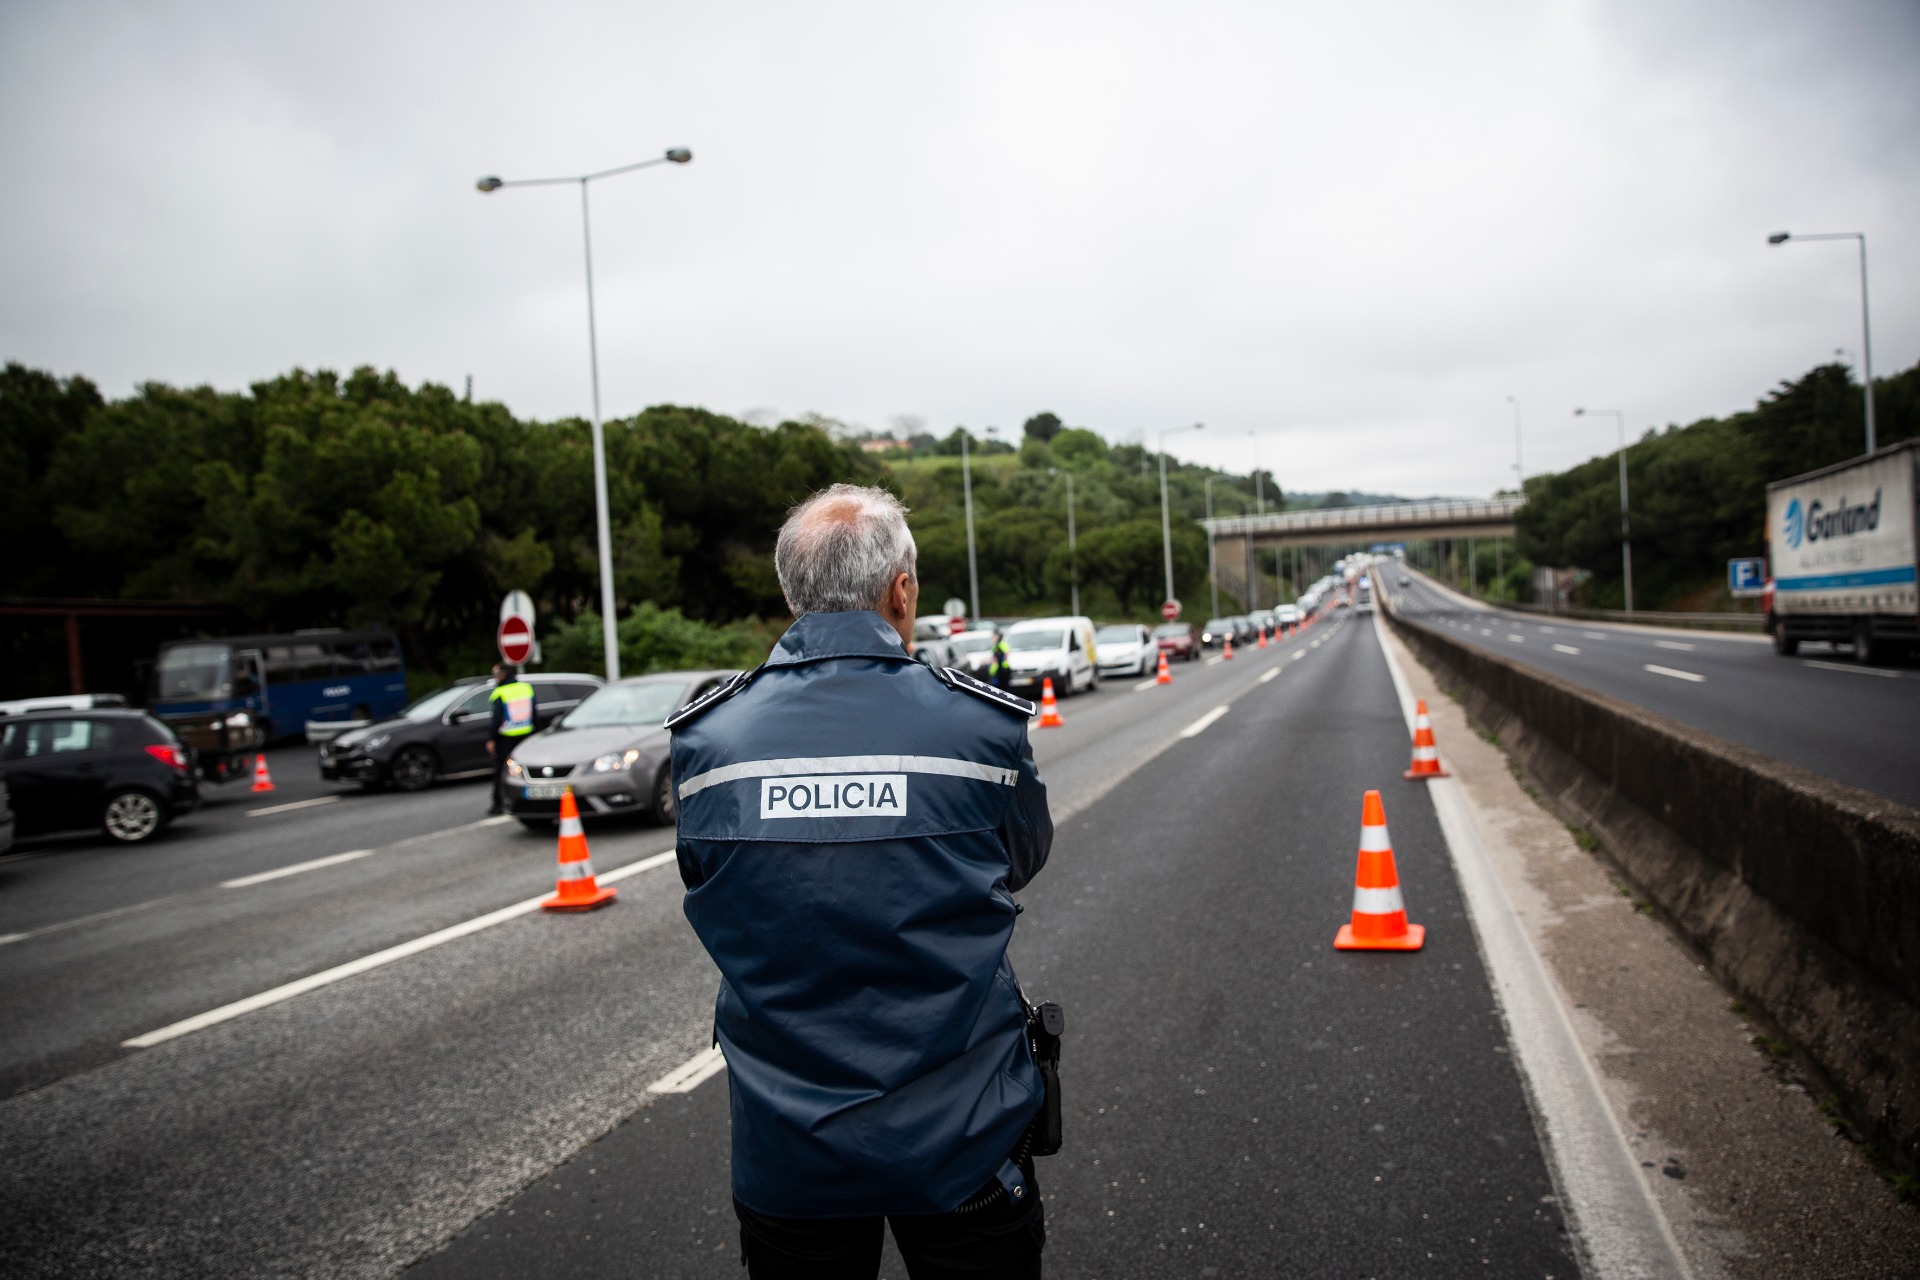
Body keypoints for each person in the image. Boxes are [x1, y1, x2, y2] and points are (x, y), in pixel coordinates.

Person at [667, 483, 1054, 1279]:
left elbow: (705, 876)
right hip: (965, 1140)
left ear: (790, 593)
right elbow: (1019, 860)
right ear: (902, 588)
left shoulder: (708, 741)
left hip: (789, 1151)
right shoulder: (981, 727)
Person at [485, 662, 535, 814]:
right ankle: (530, 801)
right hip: (526, 735)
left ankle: (497, 804)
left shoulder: (500, 692)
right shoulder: (526, 688)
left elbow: (496, 720)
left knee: (501, 771)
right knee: (527, 770)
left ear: (503, 675)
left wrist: (491, 739)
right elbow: (535, 713)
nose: (495, 678)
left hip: (506, 738)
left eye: (495, 674)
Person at [988, 624, 1013, 692]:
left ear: (998, 637)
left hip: (1001, 671)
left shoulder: (999, 646)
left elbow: (1000, 660)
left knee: (1001, 691)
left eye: (994, 636)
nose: (993, 638)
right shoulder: (998, 645)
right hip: (1001, 671)